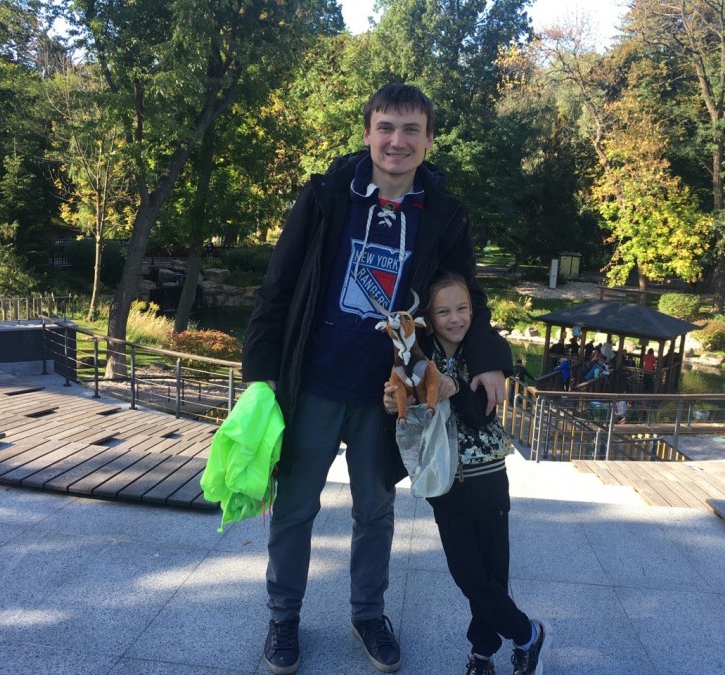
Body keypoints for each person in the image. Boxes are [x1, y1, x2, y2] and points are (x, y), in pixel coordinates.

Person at [241, 84, 510, 674]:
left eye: (411, 130)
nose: (397, 140)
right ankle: (283, 618)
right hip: (313, 384)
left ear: (428, 141)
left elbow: (468, 295)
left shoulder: (443, 212)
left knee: (375, 512)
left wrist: (490, 356)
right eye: (386, 127)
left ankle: (368, 614)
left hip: (386, 395)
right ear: (367, 134)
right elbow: (277, 289)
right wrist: (259, 380)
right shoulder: (325, 196)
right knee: (294, 509)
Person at [384, 273, 551, 675]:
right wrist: (396, 402)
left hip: (489, 475)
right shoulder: (416, 355)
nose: (454, 318)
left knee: (493, 572)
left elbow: (481, 416)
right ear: (428, 317)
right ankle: (528, 634)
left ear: (473, 311)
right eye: (443, 311)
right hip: (446, 480)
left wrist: (454, 387)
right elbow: (411, 403)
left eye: (462, 309)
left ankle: (482, 653)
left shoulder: (486, 353)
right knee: (467, 573)